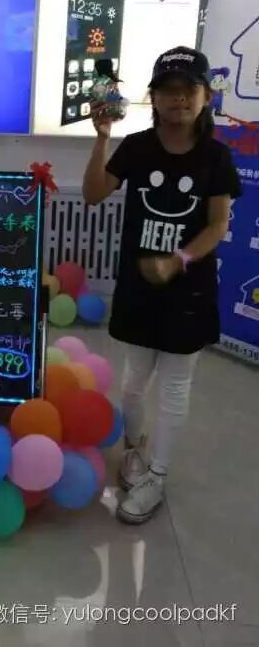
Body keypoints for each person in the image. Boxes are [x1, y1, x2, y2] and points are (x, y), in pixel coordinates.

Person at [83, 47, 241, 524]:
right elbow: (93, 194)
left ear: (206, 96)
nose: (179, 100)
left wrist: (179, 260)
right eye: (168, 91)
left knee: (174, 386)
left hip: (188, 292)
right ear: (152, 98)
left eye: (189, 90)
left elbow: (217, 225)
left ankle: (158, 474)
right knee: (133, 382)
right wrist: (101, 139)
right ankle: (135, 447)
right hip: (139, 287)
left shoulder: (216, 156)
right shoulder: (137, 147)